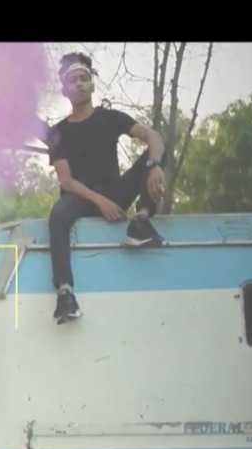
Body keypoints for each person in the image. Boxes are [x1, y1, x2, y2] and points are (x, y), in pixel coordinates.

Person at [44, 52, 168, 325]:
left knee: (157, 151)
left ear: (92, 84)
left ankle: (141, 223)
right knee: (58, 215)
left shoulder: (110, 118)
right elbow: (66, 181)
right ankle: (65, 294)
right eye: (73, 80)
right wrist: (100, 202)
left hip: (115, 192)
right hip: (80, 197)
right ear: (65, 90)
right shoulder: (58, 133)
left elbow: (152, 136)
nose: (79, 83)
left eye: (84, 78)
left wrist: (155, 164)